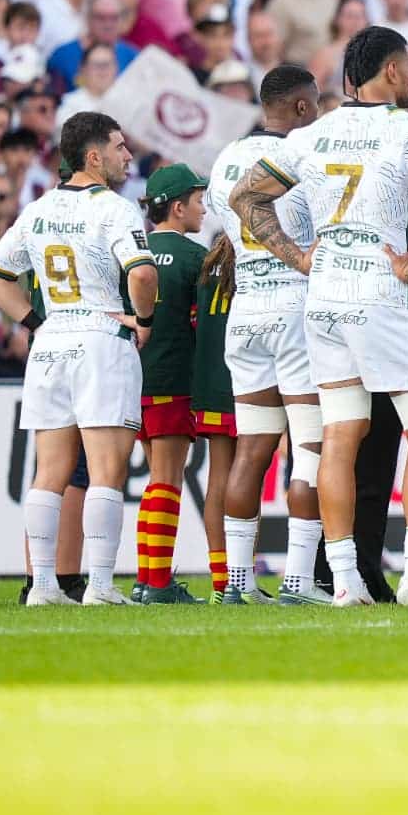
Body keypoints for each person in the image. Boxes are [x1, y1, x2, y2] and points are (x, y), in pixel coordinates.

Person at [232, 27, 408, 607]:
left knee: (339, 436)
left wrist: (298, 256)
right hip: (381, 292)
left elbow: (245, 197)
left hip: (325, 294)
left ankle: (344, 580)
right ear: (390, 71)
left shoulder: (313, 135)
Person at [0, 111, 159, 606]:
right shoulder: (116, 209)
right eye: (120, 147)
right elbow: (142, 274)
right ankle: (99, 585)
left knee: (49, 472)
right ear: (94, 156)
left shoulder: (38, 209)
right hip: (101, 336)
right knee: (106, 471)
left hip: (51, 340)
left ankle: (42, 586)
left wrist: (34, 322)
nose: (128, 155)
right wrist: (144, 320)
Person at [206, 65, 326, 604]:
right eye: (315, 104)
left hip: (246, 307)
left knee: (250, 449)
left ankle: (237, 582)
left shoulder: (226, 159)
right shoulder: (305, 155)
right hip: (296, 306)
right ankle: (298, 579)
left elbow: (228, 228)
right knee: (309, 446)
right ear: (301, 106)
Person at [132, 163, 210, 605]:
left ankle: (146, 579)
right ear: (178, 208)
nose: (203, 209)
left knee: (154, 482)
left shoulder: (133, 250)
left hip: (136, 379)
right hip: (175, 378)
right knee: (167, 481)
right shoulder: (196, 258)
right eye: (198, 201)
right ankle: (158, 584)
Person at [192, 232, 239, 602]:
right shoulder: (252, 266)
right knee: (246, 478)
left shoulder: (207, 271)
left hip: (208, 382)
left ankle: (221, 579)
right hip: (243, 382)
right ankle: (241, 575)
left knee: (218, 477)